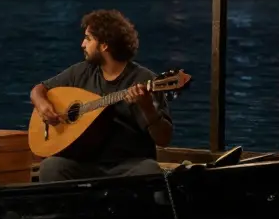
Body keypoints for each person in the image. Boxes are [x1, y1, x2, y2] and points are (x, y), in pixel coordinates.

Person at [29, 9, 174, 182]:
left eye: (88, 39)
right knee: (51, 167)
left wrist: (147, 107)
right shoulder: (81, 71)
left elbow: (164, 139)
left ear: (104, 45)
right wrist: (42, 105)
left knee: (149, 170)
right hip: (85, 164)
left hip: (127, 165)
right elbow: (39, 89)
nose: (82, 44)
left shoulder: (144, 80)